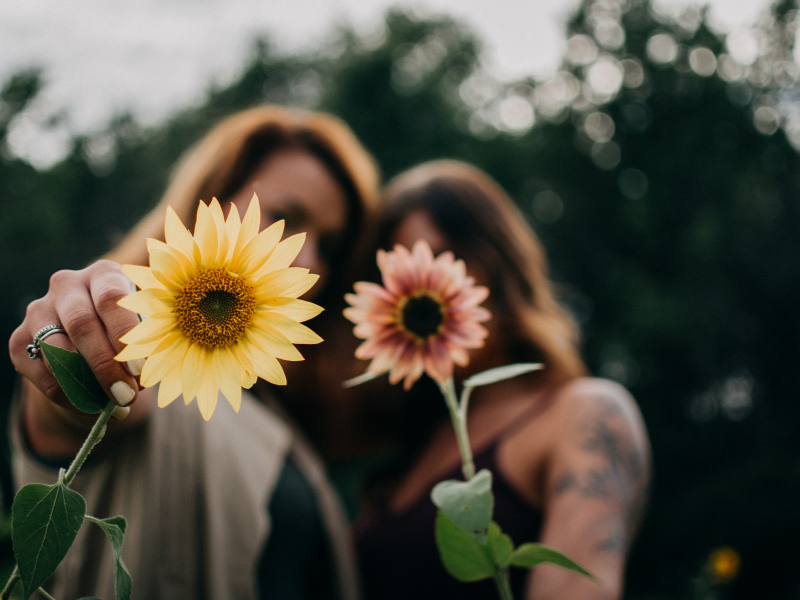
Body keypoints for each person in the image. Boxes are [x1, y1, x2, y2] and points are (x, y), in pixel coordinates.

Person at [8, 105, 379, 600]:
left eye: (329, 248)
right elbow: (101, 404)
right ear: (211, 200)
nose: (307, 259)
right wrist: (70, 351)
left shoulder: (273, 406)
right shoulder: (144, 352)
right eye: (284, 218)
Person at [353, 160, 651, 600]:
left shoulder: (583, 415)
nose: (422, 290)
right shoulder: (414, 446)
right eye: (393, 278)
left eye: (444, 260)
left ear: (500, 263)